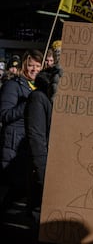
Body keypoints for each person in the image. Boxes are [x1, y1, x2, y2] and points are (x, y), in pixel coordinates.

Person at [0, 49, 43, 208]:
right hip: (12, 147)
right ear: (24, 65)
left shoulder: (38, 87)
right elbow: (4, 114)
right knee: (9, 192)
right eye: (31, 65)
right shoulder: (13, 85)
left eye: (38, 66)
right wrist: (28, 103)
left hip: (27, 148)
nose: (35, 69)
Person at [24, 65, 62, 225]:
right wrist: (44, 176)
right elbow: (36, 138)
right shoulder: (39, 98)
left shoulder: (61, 100)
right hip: (44, 173)